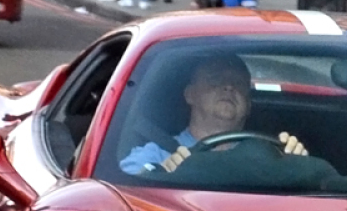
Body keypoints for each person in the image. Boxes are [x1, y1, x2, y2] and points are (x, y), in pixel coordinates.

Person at [121, 55, 308, 175]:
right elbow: (119, 190)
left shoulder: (270, 157)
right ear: (190, 94)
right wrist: (160, 173)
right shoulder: (155, 153)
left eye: (238, 83)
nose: (228, 87)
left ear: (249, 105)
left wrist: (297, 163)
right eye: (216, 80)